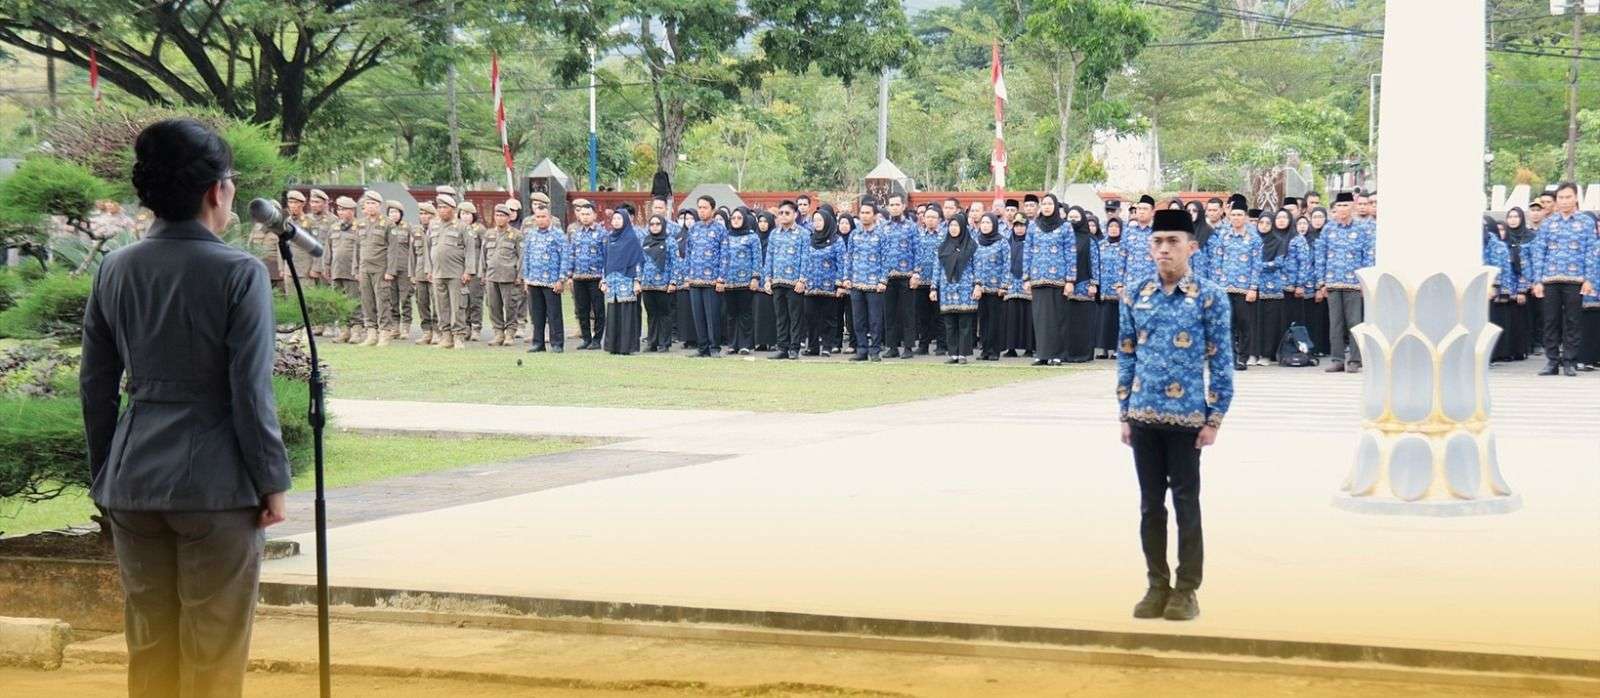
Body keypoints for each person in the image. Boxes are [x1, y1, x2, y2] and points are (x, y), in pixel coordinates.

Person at [81, 117, 290, 698]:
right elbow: (250, 391)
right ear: (216, 191)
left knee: (149, 644)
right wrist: (271, 480)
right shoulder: (239, 271)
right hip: (217, 486)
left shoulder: (115, 267)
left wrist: (106, 474)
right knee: (214, 647)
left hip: (132, 479)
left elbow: (95, 384)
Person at [1116, 207, 1233, 624]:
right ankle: (1156, 584)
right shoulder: (1135, 294)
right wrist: (1124, 412)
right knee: (1150, 506)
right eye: (1158, 241)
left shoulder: (1209, 296)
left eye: (1173, 241)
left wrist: (1215, 417)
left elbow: (1221, 360)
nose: (1164, 249)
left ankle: (1186, 590)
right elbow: (1126, 354)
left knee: (1186, 504)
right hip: (1143, 416)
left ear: (1191, 247)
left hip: (1187, 419)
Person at [1528, 182, 1597, 376]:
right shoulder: (1548, 223)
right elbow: (1539, 251)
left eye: (1568, 197)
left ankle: (1569, 361)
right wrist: (1537, 281)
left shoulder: (1586, 222)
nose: (1565, 201)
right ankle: (1552, 361)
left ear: (1575, 198)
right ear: (1556, 200)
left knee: (1573, 321)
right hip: (1550, 279)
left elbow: (1591, 251)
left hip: (1576, 280)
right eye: (1561, 198)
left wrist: (1589, 279)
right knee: (1550, 321)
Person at [1315, 192, 1375, 373]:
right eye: (1339, 206)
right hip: (1333, 282)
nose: (1342, 209)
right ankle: (1337, 359)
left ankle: (1355, 360)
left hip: (1354, 284)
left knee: (1355, 323)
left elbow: (1368, 256)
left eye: (1346, 205)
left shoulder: (1362, 229)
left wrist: (1366, 282)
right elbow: (1320, 256)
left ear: (1353, 206)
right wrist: (1321, 283)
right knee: (1335, 323)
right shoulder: (1328, 229)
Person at [1022, 194, 1074, 366]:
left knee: (1058, 318)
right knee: (1040, 319)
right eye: (1044, 203)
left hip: (1059, 279)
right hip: (1037, 278)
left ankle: (1057, 355)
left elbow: (1071, 253)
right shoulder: (1033, 226)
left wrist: (1070, 280)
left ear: (1056, 206)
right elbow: (1027, 252)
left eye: (1050, 203)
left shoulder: (1065, 227)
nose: (1046, 206)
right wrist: (1026, 278)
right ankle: (1042, 354)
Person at [1212, 201, 1261, 370]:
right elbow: (1217, 262)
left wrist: (1253, 288)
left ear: (1246, 217)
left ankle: (1243, 357)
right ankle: (1230, 357)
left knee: (1244, 324)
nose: (1236, 218)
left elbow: (1256, 265)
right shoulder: (1223, 236)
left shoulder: (1254, 238)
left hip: (1244, 288)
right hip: (1225, 287)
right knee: (1227, 324)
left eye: (1240, 215)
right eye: (1233, 215)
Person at [931, 214, 982, 364]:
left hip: (965, 288)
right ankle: (953, 353)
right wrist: (933, 288)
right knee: (949, 323)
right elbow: (937, 268)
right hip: (947, 288)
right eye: (951, 226)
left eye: (956, 225)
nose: (953, 229)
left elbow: (977, 266)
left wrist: (977, 285)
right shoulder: (943, 246)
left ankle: (963, 354)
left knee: (964, 323)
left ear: (963, 227)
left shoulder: (972, 246)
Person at [428, 193, 476, 349]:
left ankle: (459, 337)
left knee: (458, 307)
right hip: (438, 272)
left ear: (453, 209)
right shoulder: (434, 225)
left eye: (445, 207)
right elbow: (428, 247)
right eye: (439, 207)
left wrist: (468, 271)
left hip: (456, 273)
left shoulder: (463, 226)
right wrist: (429, 269)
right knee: (441, 306)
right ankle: (446, 336)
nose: (441, 210)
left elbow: (470, 250)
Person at [1255, 208, 1302, 365]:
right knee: (1254, 321)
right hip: (1254, 287)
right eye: (1261, 222)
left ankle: (1267, 354)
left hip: (1272, 288)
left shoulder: (1278, 241)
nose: (1264, 225)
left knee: (1270, 322)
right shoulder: (1253, 240)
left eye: (1268, 223)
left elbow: (1279, 262)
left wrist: (1257, 265)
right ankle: (1253, 353)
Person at [846, 198, 890, 361]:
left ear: (875, 215)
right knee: (858, 320)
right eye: (862, 213)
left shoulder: (882, 234)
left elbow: (886, 259)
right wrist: (847, 277)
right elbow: (849, 257)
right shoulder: (854, 234)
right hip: (856, 282)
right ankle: (862, 349)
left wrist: (883, 280)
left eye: (867, 213)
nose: (864, 216)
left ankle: (875, 350)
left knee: (875, 320)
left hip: (874, 284)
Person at [799, 207, 847, 357]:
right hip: (811, 285)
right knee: (810, 317)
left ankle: (827, 346)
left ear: (827, 221)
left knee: (829, 318)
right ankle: (813, 347)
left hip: (829, 286)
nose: (817, 223)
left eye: (820, 220)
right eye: (815, 220)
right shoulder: (809, 239)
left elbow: (842, 263)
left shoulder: (837, 241)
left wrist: (840, 284)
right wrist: (802, 280)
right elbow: (804, 261)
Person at [520, 204, 568, 353]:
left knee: (554, 314)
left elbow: (565, 257)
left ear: (550, 217)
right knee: (537, 314)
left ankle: (557, 343)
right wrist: (526, 278)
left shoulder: (558, 235)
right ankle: (538, 343)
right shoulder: (531, 234)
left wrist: (561, 279)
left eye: (543, 216)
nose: (540, 220)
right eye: (538, 217)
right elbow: (526, 257)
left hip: (552, 281)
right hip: (534, 280)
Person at [764, 200, 808, 360]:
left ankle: (794, 348)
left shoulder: (803, 233)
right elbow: (769, 256)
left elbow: (806, 257)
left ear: (795, 215)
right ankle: (782, 347)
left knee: (795, 317)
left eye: (787, 213)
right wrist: (767, 278)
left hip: (794, 282)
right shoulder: (774, 234)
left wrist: (802, 280)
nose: (783, 216)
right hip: (777, 281)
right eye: (781, 213)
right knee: (781, 316)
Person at [685, 196, 727, 357]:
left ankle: (714, 347)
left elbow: (725, 255)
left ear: (713, 210)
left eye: (705, 207)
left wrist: (721, 278)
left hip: (712, 280)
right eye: (700, 207)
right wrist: (687, 275)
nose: (701, 211)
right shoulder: (693, 229)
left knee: (712, 316)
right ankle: (702, 347)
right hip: (694, 279)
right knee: (698, 316)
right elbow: (688, 253)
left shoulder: (720, 229)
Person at [600, 210, 645, 355]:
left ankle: (626, 347)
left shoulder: (631, 238)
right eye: (614, 218)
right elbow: (605, 260)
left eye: (619, 218)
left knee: (626, 314)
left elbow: (637, 261)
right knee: (613, 314)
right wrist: (604, 280)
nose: (616, 221)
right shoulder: (609, 238)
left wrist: (637, 281)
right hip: (612, 281)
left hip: (627, 280)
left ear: (625, 220)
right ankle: (613, 346)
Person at [480, 203, 524, 346]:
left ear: (508, 218)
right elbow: (483, 255)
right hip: (491, 276)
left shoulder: (516, 235)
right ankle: (498, 333)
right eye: (497, 215)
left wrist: (520, 275)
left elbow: (522, 256)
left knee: (510, 306)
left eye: (502, 216)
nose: (499, 218)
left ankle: (510, 333)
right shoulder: (489, 234)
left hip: (509, 276)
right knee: (493, 306)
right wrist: (482, 273)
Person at [721, 206, 763, 355]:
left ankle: (745, 344)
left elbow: (757, 258)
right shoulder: (725, 236)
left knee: (745, 313)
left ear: (745, 219)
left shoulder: (752, 237)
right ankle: (732, 344)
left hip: (746, 281)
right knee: (731, 314)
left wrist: (755, 277)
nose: (736, 220)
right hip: (728, 281)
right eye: (733, 218)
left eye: (739, 218)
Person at [882, 193, 919, 359]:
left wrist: (916, 273)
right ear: (888, 207)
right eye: (891, 205)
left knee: (907, 313)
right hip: (888, 277)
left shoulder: (911, 226)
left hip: (906, 275)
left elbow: (918, 250)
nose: (894, 207)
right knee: (889, 313)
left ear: (903, 206)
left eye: (897, 204)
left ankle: (908, 347)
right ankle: (892, 346)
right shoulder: (884, 227)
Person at [1063, 208, 1102, 363]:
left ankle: (1083, 354)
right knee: (1068, 321)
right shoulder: (1064, 237)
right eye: (1070, 217)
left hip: (1085, 284)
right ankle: (1067, 353)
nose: (1073, 220)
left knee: (1083, 322)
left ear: (1082, 219)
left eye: (1076, 217)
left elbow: (1095, 262)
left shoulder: (1089, 239)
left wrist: (1094, 283)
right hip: (1066, 285)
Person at [568, 199, 608, 350]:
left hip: (596, 277)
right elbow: (571, 254)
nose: (584, 217)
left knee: (598, 310)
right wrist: (569, 275)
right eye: (582, 214)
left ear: (594, 215)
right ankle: (586, 338)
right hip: (579, 277)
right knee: (582, 309)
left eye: (588, 214)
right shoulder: (576, 234)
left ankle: (597, 339)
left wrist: (604, 277)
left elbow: (607, 256)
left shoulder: (602, 233)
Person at [973, 213, 1010, 361]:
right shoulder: (976, 241)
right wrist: (976, 284)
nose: (985, 225)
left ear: (994, 224)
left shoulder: (1002, 242)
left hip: (996, 288)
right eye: (983, 222)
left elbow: (1007, 264)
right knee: (983, 320)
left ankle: (994, 351)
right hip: (981, 288)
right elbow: (973, 263)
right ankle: (985, 350)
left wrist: (1004, 285)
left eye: (988, 222)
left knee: (995, 320)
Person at [1499, 207, 1533, 361]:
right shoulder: (1502, 241)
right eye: (1510, 216)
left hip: (1521, 287)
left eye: (1516, 216)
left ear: (1522, 219)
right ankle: (1506, 352)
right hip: (1504, 288)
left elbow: (1527, 266)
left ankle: (1520, 351)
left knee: (1519, 320)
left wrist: (1522, 289)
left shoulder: (1529, 238)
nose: (1512, 220)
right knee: (1506, 320)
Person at [327, 195, 363, 343]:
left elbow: (362, 250)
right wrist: (326, 266)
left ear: (352, 211)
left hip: (352, 271)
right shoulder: (334, 227)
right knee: (338, 302)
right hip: (336, 270)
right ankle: (344, 331)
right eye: (339, 209)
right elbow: (328, 249)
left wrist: (359, 269)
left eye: (344, 210)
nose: (340, 212)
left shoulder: (360, 227)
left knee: (354, 302)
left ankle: (356, 331)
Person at [1003, 213, 1034, 358]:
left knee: (1028, 317)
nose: (1019, 229)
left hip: (1026, 286)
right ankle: (1011, 348)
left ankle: (1029, 348)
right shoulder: (1008, 243)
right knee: (1011, 318)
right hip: (1011, 286)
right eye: (1016, 226)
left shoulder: (1031, 243)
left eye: (1022, 225)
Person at [383, 200, 414, 340]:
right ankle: (394, 326)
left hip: (404, 268)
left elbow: (412, 249)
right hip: (389, 268)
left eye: (396, 212)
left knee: (405, 298)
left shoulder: (408, 228)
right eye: (391, 212)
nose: (393, 215)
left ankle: (405, 327)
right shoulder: (385, 227)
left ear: (401, 214)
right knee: (391, 299)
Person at [1097, 217, 1127, 359]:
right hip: (1103, 289)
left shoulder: (1125, 246)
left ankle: (1116, 349)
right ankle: (1103, 349)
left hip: (1119, 289)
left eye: (1116, 226)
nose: (1113, 229)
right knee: (1103, 321)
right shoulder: (1101, 245)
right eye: (1111, 226)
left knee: (1116, 321)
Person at [409, 202, 438, 344]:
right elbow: (412, 254)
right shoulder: (416, 231)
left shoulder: (438, 229)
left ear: (433, 216)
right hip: (420, 272)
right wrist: (412, 274)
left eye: (427, 214)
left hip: (435, 272)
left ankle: (438, 331)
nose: (424, 216)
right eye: (421, 214)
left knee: (437, 303)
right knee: (422, 302)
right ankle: (427, 332)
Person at [459, 202, 487, 342]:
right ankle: (466, 326)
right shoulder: (458, 228)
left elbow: (484, 251)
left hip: (476, 270)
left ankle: (476, 327)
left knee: (475, 300)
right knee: (463, 300)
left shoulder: (480, 229)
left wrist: (483, 272)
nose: (465, 217)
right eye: (463, 214)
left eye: (468, 214)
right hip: (460, 269)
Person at [753, 210, 778, 351]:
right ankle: (760, 341)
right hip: (757, 281)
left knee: (772, 312)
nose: (763, 225)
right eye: (760, 221)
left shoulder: (774, 238)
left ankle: (773, 341)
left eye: (765, 222)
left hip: (771, 279)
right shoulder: (754, 238)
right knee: (759, 311)